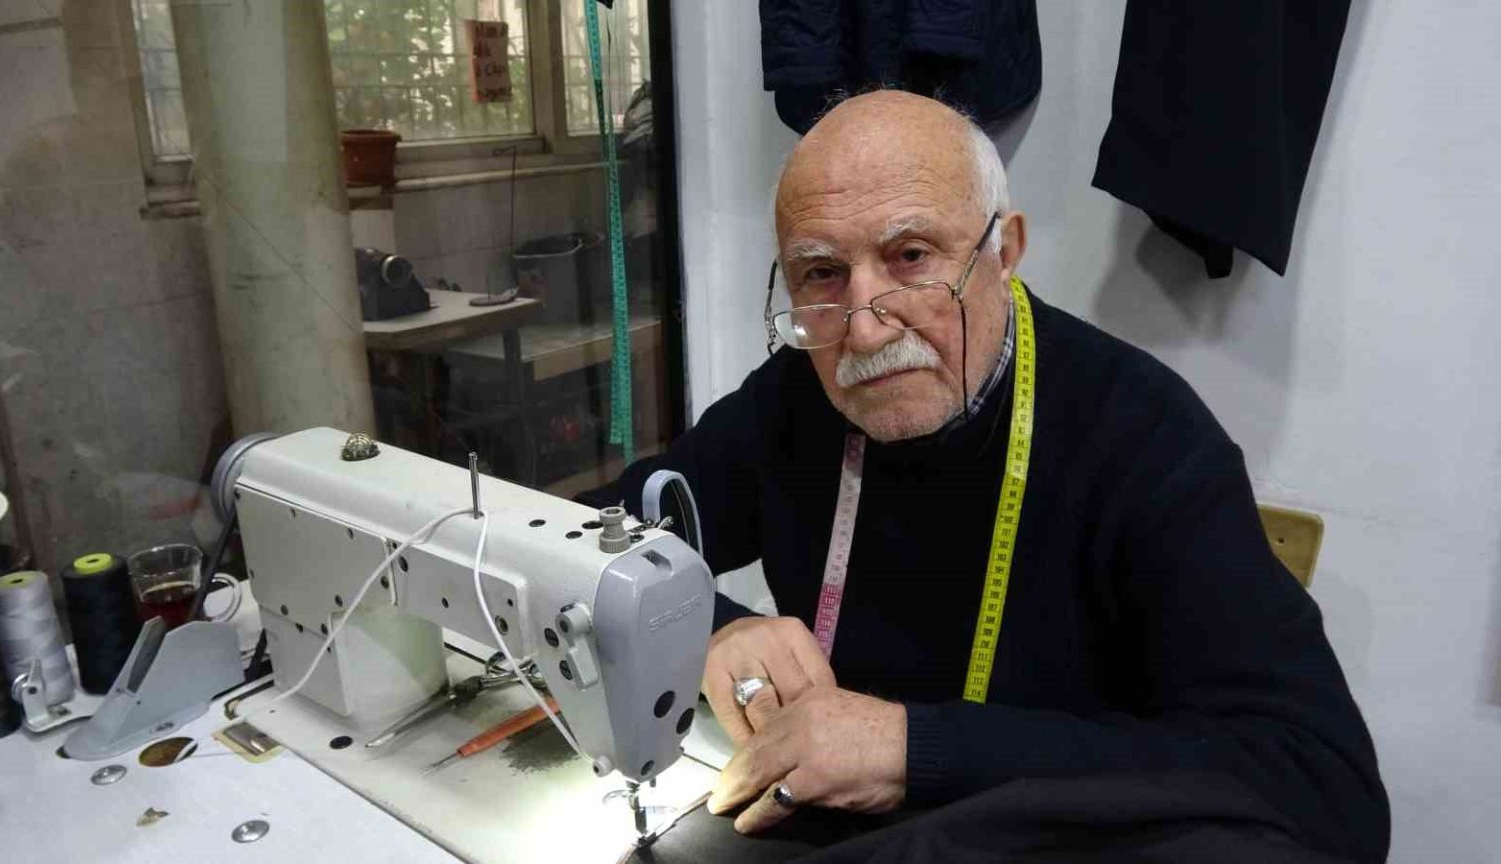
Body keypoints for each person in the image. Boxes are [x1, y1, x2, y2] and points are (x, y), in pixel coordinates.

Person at [592, 91, 1388, 862]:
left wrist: (915, 748)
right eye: (822, 274)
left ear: (1004, 252)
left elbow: (1322, 785)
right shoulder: (798, 395)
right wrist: (710, 627)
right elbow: (604, 531)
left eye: (911, 258)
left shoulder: (1145, 436)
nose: (865, 329)